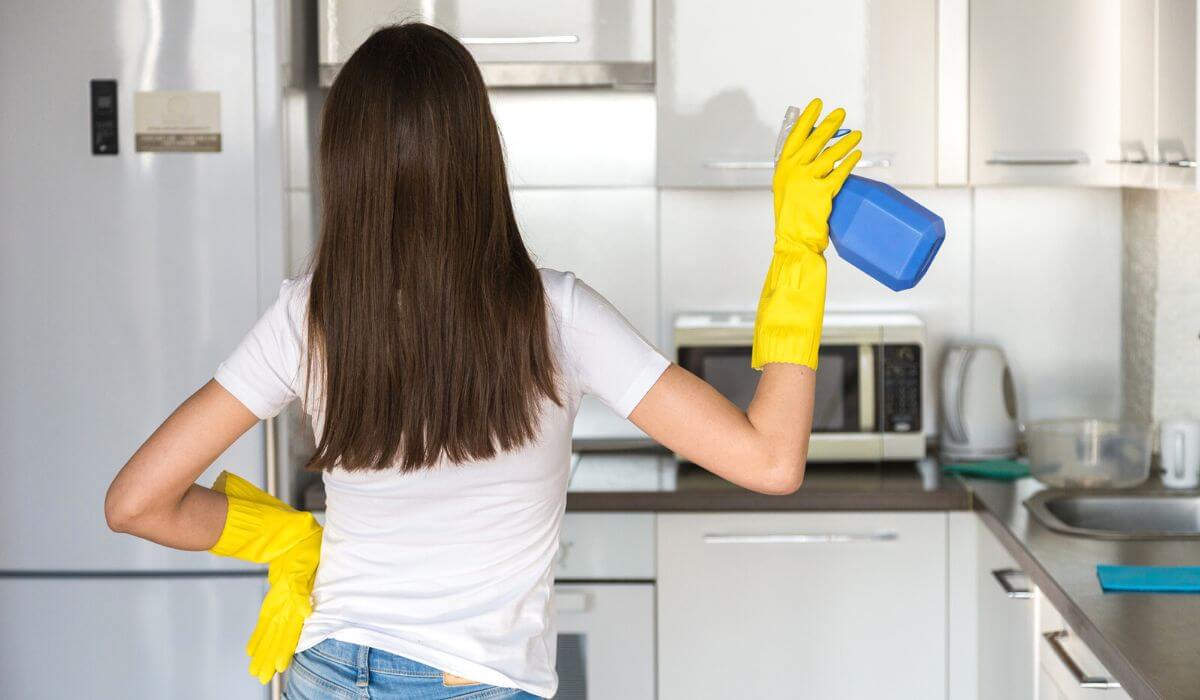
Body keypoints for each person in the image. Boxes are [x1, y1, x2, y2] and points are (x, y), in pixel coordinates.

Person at [104, 22, 860, 700]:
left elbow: (136, 502)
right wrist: (799, 255)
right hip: (479, 684)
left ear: (345, 165)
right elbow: (771, 461)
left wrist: (283, 535)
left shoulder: (307, 317)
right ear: (478, 152)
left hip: (326, 672)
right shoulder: (556, 314)